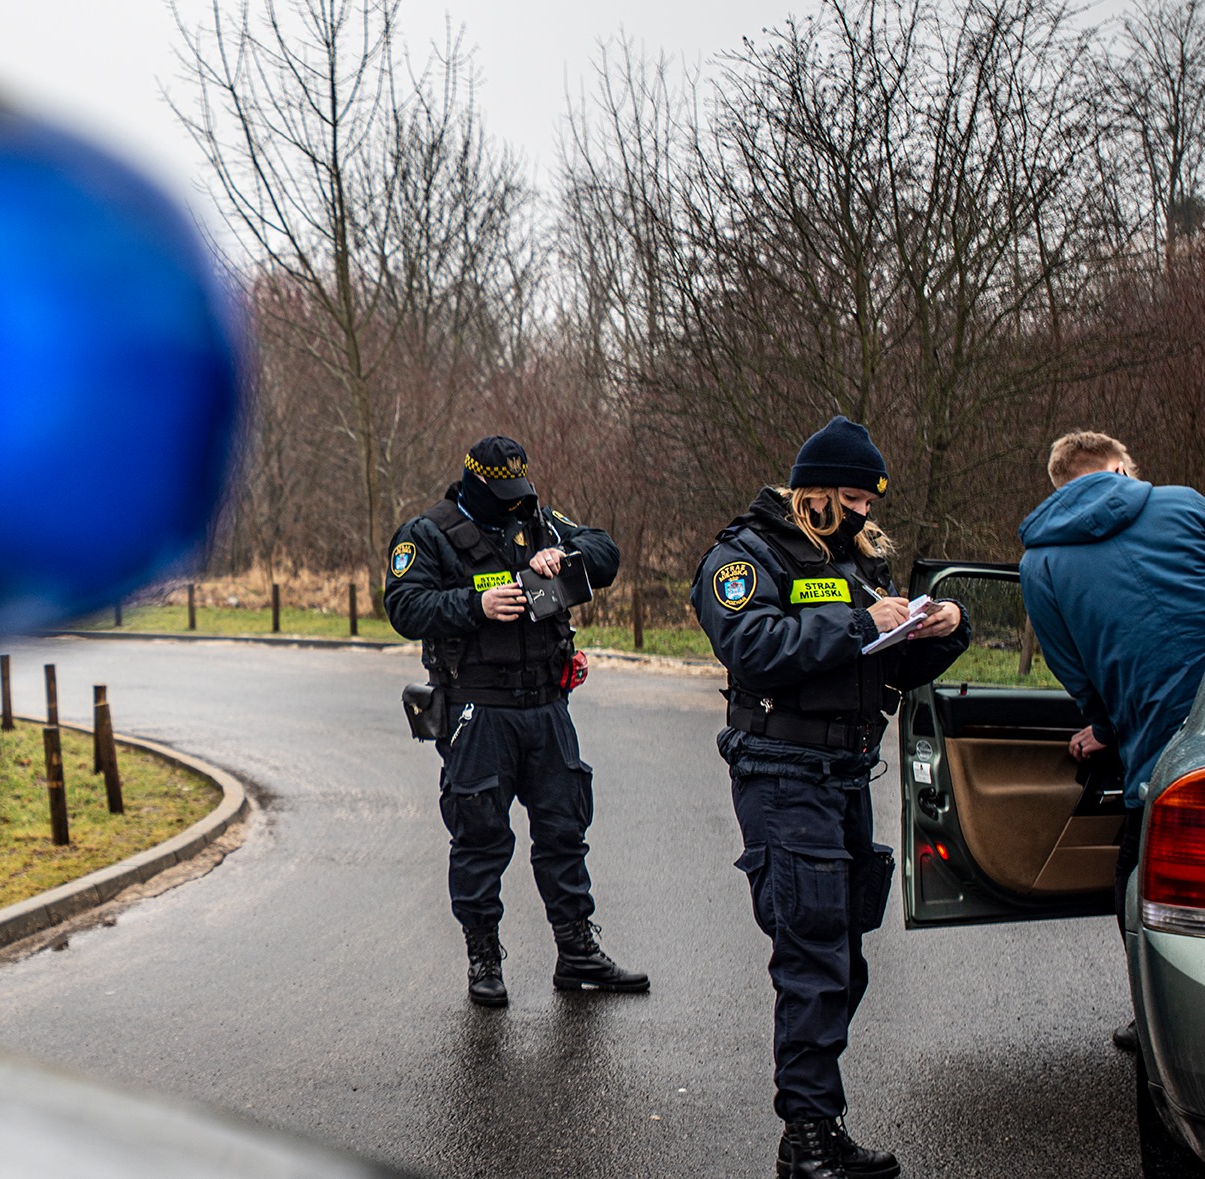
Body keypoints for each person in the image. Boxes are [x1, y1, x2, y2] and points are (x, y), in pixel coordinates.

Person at [691, 417, 969, 1179]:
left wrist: (941, 628)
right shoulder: (745, 555)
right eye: (851, 499)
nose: (863, 513)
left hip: (845, 774)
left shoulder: (855, 560)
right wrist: (858, 623)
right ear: (810, 491)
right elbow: (751, 647)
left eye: (870, 502)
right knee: (813, 954)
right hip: (783, 772)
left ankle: (822, 1121)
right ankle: (807, 1138)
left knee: (843, 956)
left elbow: (881, 663)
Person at [383, 435, 648, 1007]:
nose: (514, 504)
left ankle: (576, 952)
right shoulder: (428, 533)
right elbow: (403, 606)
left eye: (519, 492)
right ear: (476, 482)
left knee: (563, 831)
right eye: (502, 493)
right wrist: (474, 606)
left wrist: (564, 559)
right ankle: (483, 957)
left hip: (547, 705)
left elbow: (605, 552)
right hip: (478, 709)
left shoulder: (537, 521)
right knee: (480, 836)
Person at [1017, 430, 1205, 1052]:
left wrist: (1106, 728)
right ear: (1120, 469)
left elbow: (1074, 670)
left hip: (1159, 743)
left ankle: (1159, 1019)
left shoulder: (1040, 564)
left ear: (1060, 486)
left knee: (1140, 877)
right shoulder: (1185, 503)